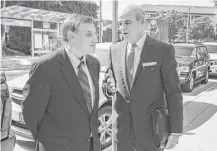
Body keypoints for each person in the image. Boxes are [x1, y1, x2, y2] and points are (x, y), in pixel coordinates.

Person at [103, 5, 183, 151]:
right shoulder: (114, 50)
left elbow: (173, 92)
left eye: (127, 22)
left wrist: (176, 131)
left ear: (142, 23)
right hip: (121, 135)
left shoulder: (163, 50)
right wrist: (108, 86)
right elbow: (108, 82)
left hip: (151, 133)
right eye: (120, 23)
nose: (122, 27)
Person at [22, 14, 101, 151]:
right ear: (71, 35)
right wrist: (48, 141)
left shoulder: (94, 64)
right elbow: (31, 113)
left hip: (91, 146)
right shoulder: (45, 66)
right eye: (89, 34)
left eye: (95, 34)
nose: (96, 39)